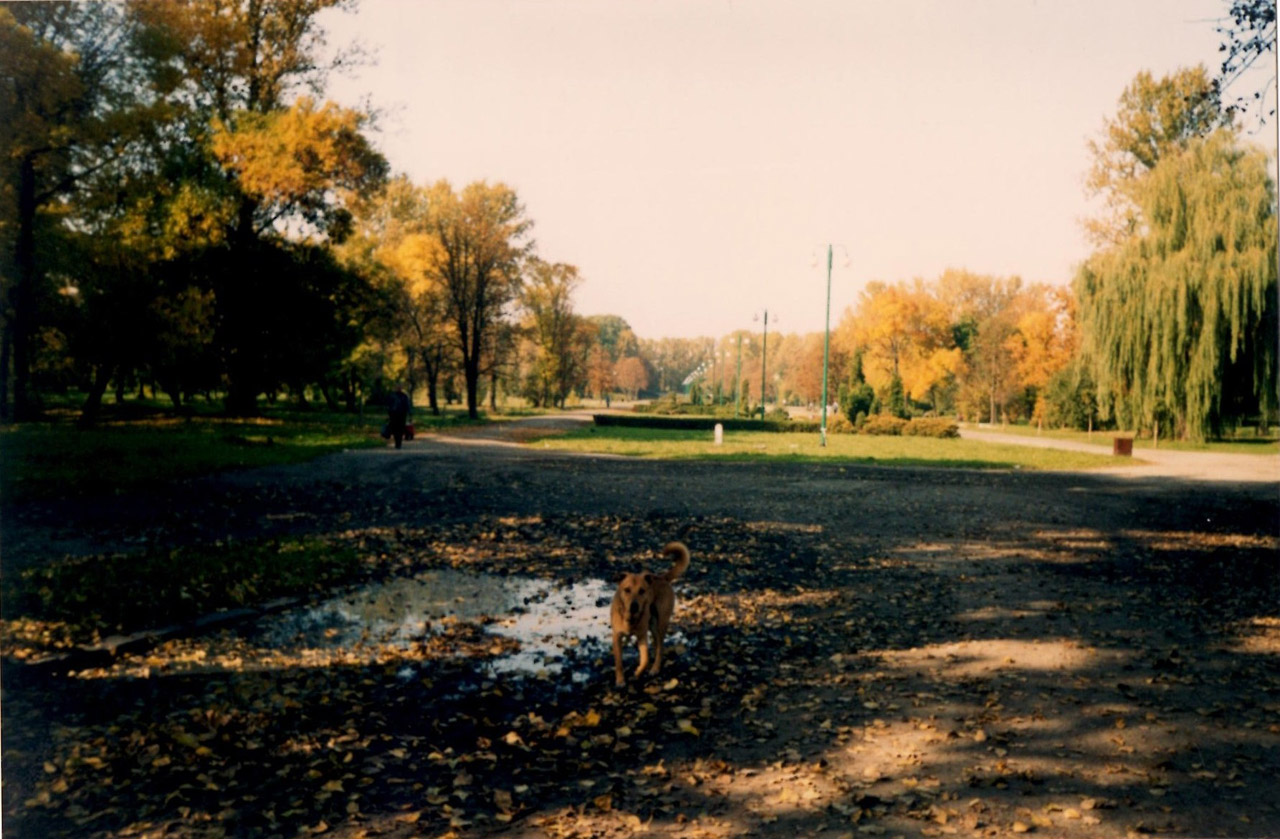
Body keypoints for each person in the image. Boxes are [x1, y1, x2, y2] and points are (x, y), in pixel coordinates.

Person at [387, 384, 411, 449]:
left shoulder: (404, 396)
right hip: (394, 414)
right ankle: (397, 442)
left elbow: (407, 405)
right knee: (395, 429)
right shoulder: (392, 395)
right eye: (397, 387)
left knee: (400, 429)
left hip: (402, 414)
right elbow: (389, 404)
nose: (399, 388)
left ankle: (399, 443)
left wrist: (409, 413)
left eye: (400, 387)